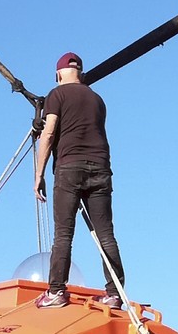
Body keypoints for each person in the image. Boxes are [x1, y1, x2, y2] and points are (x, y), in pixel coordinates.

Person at [33, 52, 126, 309]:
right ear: (81, 72)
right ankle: (115, 293)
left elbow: (49, 132)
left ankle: (56, 292)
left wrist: (38, 174)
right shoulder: (97, 100)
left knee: (64, 234)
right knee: (106, 234)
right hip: (100, 168)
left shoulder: (57, 95)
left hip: (69, 167)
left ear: (58, 73)